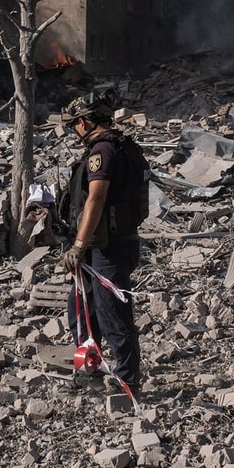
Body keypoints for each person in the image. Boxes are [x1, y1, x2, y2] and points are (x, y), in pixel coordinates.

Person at [59, 93, 142, 392]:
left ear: (83, 122)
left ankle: (128, 381)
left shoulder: (103, 152)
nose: (74, 132)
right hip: (101, 245)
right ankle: (88, 371)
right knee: (80, 310)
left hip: (109, 247)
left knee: (112, 315)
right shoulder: (121, 147)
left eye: (73, 126)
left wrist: (78, 246)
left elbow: (96, 197)